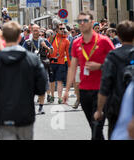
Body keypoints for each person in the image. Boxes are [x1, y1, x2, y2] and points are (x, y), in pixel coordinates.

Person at [0, 21, 47, 140]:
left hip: (3, 113)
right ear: (19, 37)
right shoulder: (32, 59)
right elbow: (42, 87)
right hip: (25, 113)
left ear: (3, 38)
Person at [63, 12, 115, 140]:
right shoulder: (76, 43)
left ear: (92, 22)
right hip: (84, 91)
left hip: (102, 91)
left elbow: (115, 63)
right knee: (94, 127)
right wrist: (67, 89)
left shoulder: (104, 41)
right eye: (79, 21)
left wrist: (100, 66)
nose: (81, 23)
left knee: (97, 127)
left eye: (85, 20)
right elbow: (73, 67)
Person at [94, 20, 134, 137]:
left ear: (119, 37)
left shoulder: (113, 56)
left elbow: (105, 84)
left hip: (116, 106)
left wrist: (99, 109)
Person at [23, 24, 53, 114]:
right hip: (31, 68)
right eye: (34, 30)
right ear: (31, 31)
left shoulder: (44, 41)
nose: (36, 32)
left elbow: (52, 51)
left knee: (42, 88)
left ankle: (41, 107)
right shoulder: (27, 42)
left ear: (40, 31)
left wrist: (46, 47)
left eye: (37, 30)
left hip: (42, 67)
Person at [49, 23, 70, 104]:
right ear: (57, 29)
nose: (62, 30)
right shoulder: (51, 38)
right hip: (51, 62)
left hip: (61, 63)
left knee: (59, 80)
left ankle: (60, 98)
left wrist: (70, 64)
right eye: (61, 28)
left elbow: (68, 53)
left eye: (63, 28)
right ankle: (52, 96)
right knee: (52, 80)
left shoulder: (66, 40)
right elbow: (47, 49)